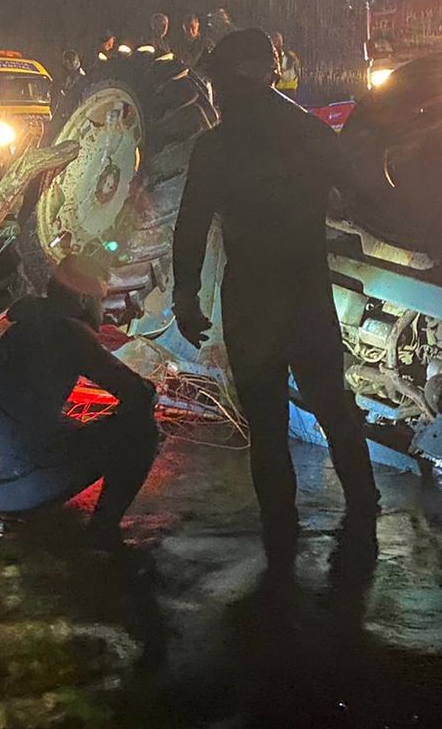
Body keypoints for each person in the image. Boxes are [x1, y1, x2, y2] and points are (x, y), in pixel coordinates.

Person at [172, 28, 379, 565]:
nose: (212, 93)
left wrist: (185, 296)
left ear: (237, 77)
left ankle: (281, 539)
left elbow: (191, 226)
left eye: (215, 80)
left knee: (266, 430)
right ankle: (364, 510)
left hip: (252, 300)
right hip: (307, 292)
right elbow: (363, 195)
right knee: (334, 406)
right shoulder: (311, 134)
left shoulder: (216, 146)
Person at [0, 254, 160, 537]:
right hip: (8, 489)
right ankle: (102, 533)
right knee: (142, 431)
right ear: (82, 300)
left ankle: (23, 507)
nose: (102, 310)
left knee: (72, 425)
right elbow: (138, 394)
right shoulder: (69, 332)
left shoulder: (29, 323)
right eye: (99, 301)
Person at [271, 31, 302, 96]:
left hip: (287, 90)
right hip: (280, 90)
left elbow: (289, 75)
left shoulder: (288, 57)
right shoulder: (289, 56)